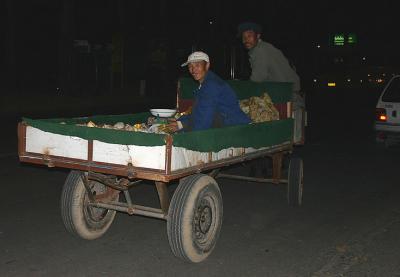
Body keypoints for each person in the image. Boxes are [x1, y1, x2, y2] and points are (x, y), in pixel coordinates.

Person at [238, 21, 305, 144]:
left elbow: (258, 78)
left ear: (258, 36)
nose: (245, 40)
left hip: (286, 95)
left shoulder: (260, 50)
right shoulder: (263, 48)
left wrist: (241, 91)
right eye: (243, 37)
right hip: (285, 92)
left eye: (249, 36)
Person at [167, 51, 250, 132]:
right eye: (190, 66)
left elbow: (204, 122)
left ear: (207, 65)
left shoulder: (211, 85)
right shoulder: (205, 83)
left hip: (238, 129)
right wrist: (179, 122)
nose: (193, 70)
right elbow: (198, 111)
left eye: (197, 65)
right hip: (226, 124)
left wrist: (185, 131)